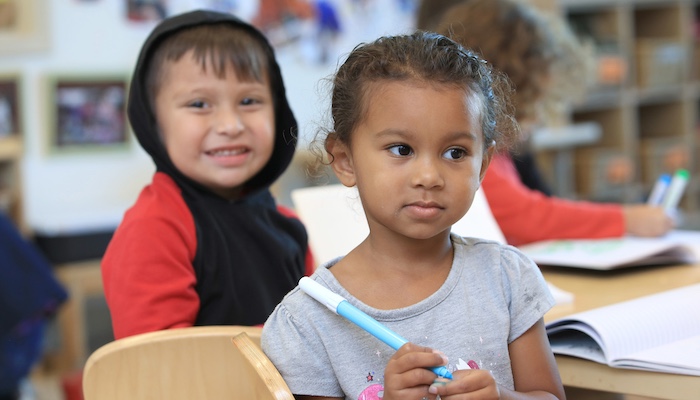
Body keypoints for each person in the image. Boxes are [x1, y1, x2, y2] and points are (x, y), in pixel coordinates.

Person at [262, 31, 566, 399]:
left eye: (455, 153)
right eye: (401, 149)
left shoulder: (507, 278)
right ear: (344, 160)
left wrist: (503, 398)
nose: (429, 177)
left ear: (482, 167)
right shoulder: (306, 321)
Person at [102, 9, 314, 340]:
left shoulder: (290, 226)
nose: (230, 125)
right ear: (154, 122)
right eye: (199, 104)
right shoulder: (155, 228)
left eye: (249, 100)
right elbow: (155, 365)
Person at [429, 0, 673, 246]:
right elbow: (525, 218)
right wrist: (626, 220)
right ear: (508, 91)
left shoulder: (496, 152)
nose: (537, 120)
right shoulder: (468, 149)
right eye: (533, 104)